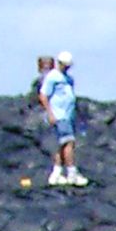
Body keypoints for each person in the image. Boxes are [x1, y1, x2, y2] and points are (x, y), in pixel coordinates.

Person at [38, 51, 89, 187]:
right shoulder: (53, 77)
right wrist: (50, 114)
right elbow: (43, 96)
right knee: (69, 143)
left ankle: (57, 172)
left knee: (62, 143)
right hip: (59, 115)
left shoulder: (68, 79)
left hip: (68, 115)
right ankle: (72, 173)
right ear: (59, 63)